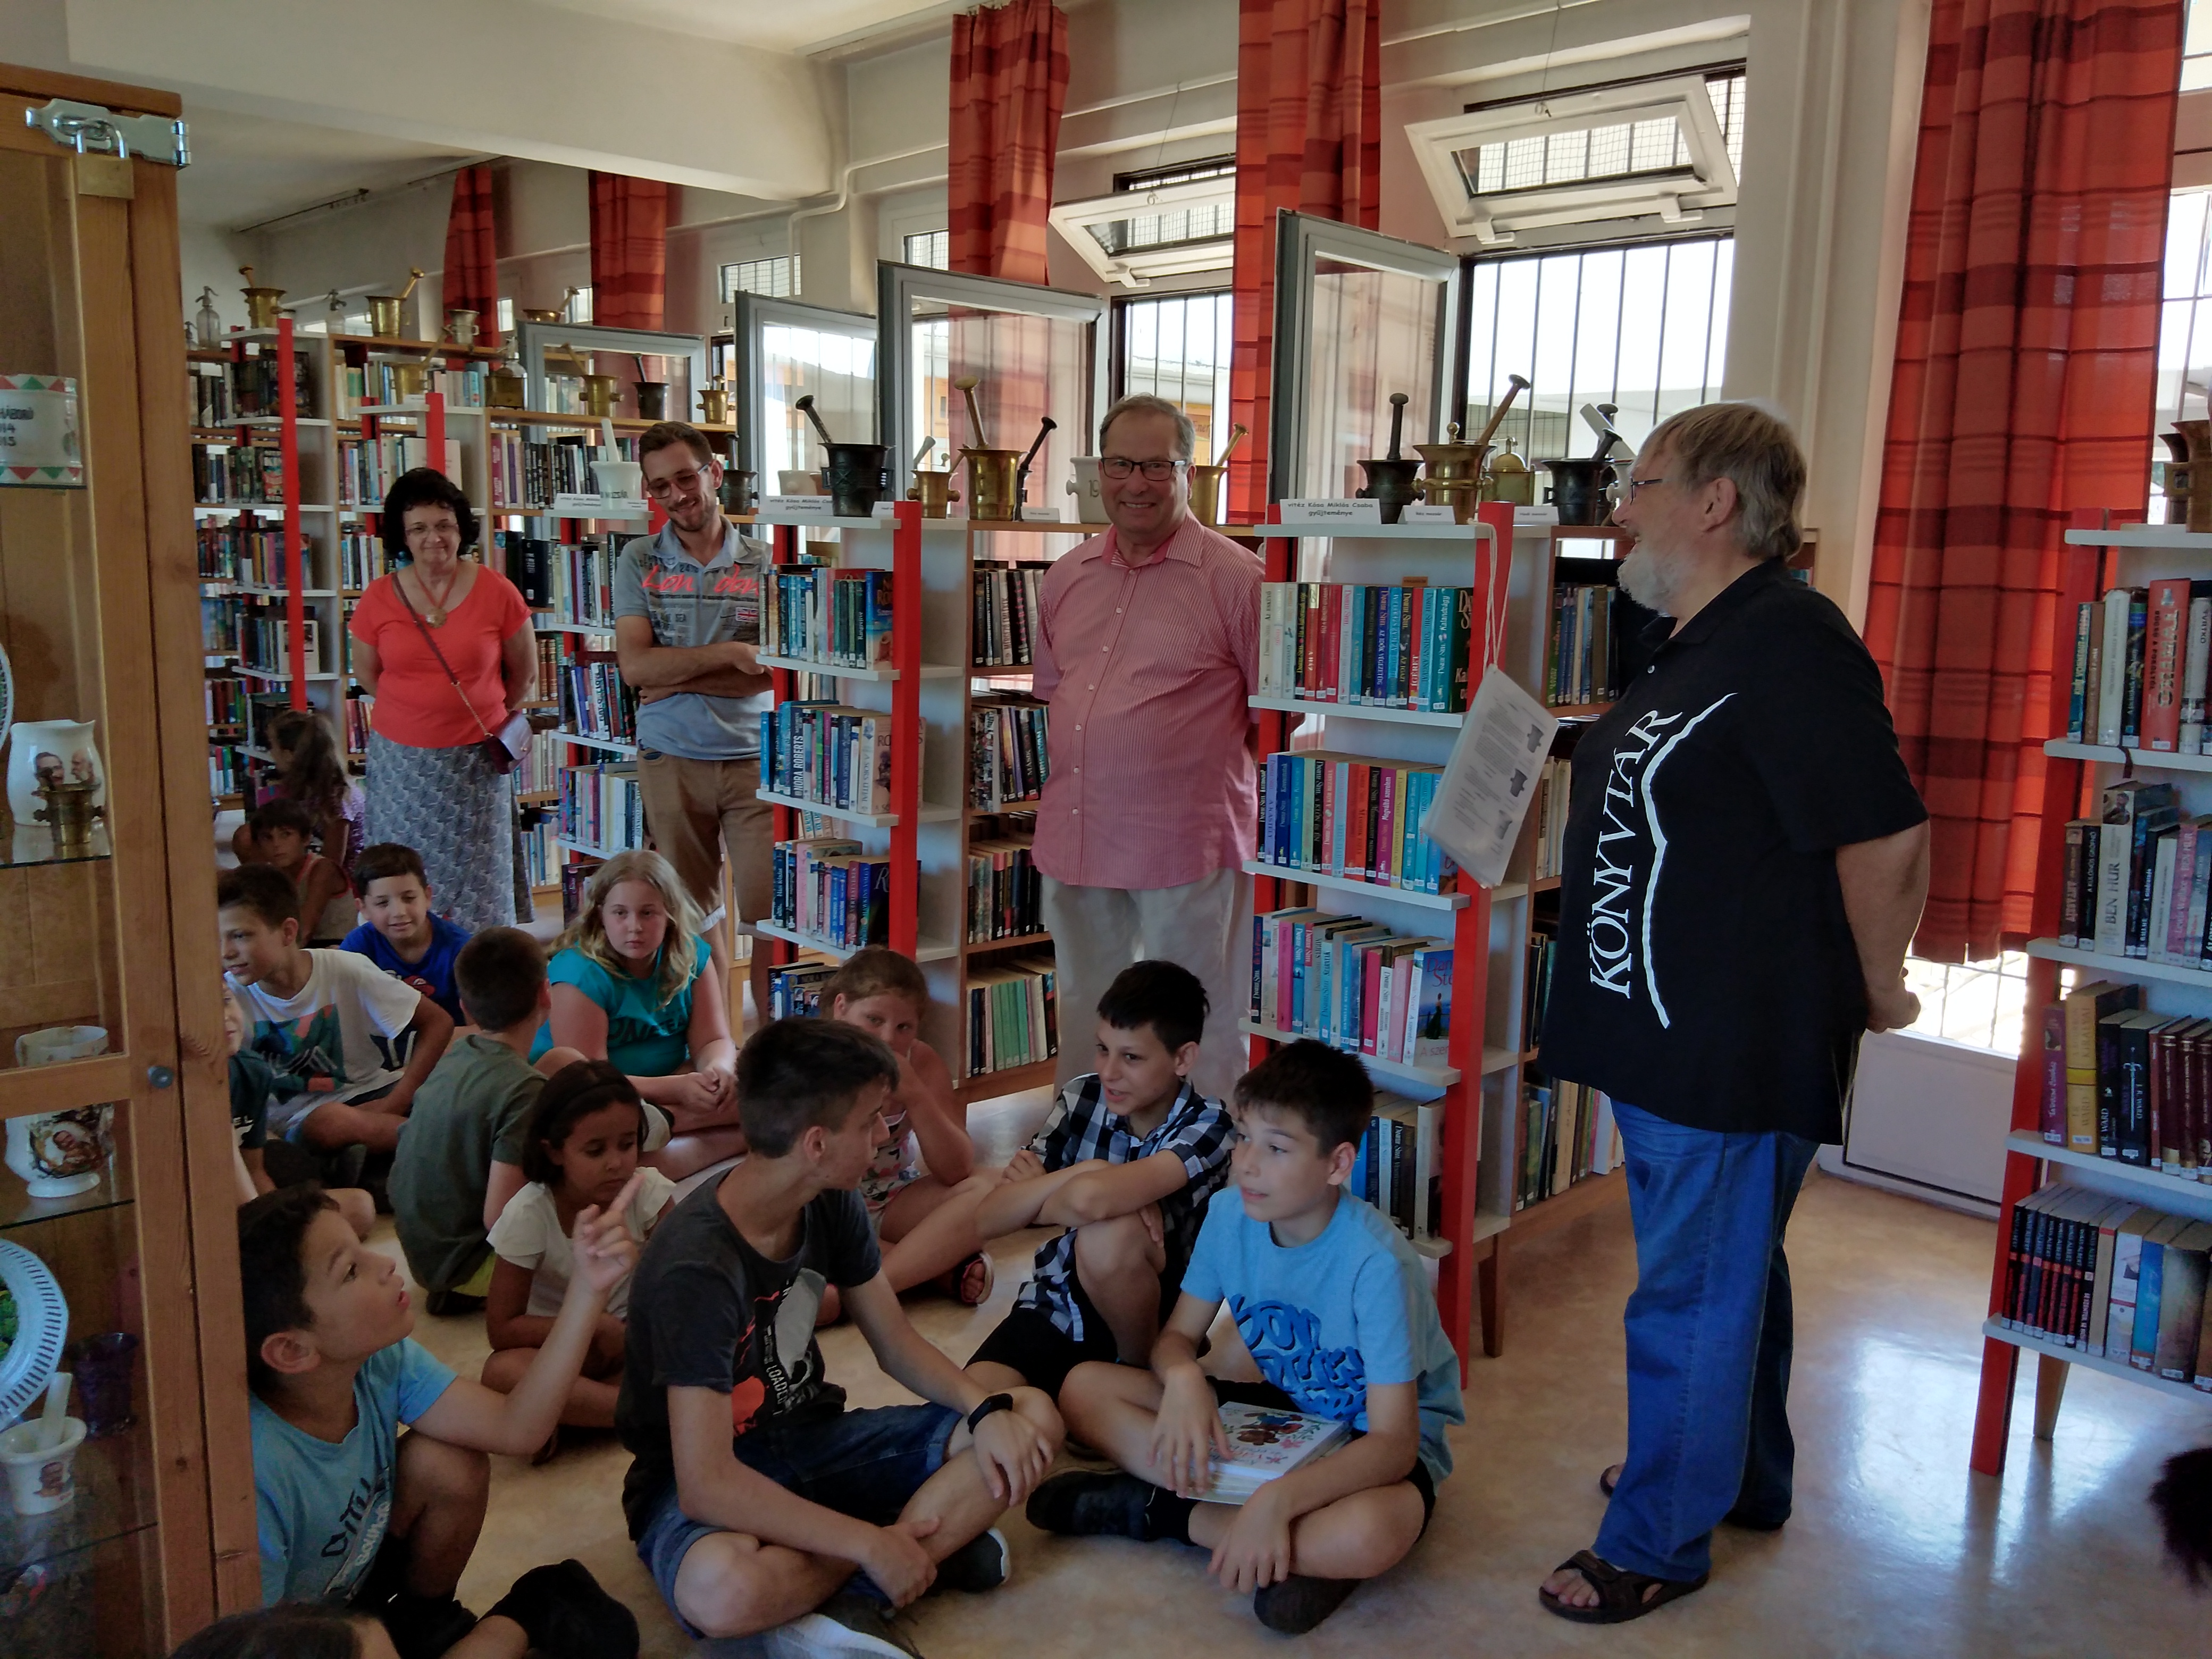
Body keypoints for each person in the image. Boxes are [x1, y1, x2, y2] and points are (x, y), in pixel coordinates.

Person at [1533, 402, 1930, 1624]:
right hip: (1668, 1033)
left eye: (1643, 483)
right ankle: (1737, 1473)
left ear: (1715, 503)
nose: (1621, 509)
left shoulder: (1790, 638)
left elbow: (1884, 830)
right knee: (1727, 1266)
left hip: (1731, 1042)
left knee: (1691, 1291)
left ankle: (1657, 1536)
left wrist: (1879, 985)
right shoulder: (1693, 638)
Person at [616, 1018, 1063, 1656]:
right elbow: (706, 1483)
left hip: (813, 1440)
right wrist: (867, 1541)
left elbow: (894, 1342)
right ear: (817, 1144)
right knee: (724, 1590)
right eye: (871, 1121)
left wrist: (983, 1409)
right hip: (695, 1480)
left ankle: (850, 1595)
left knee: (1029, 1419)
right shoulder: (695, 1266)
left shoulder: (830, 1198)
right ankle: (910, 1553)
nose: (883, 1135)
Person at [1034, 1040, 1464, 1634]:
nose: (1247, 1164)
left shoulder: (1377, 1265)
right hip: (1287, 1416)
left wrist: (1278, 1500)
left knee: (1368, 1532)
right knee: (1084, 1388)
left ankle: (1161, 1512)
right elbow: (1175, 1338)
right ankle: (1285, 1549)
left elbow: (1394, 1444)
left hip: (1369, 1444)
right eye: (1243, 1137)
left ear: (1337, 1164)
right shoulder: (1230, 1215)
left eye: (1277, 1148)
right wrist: (1183, 1377)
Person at [239, 1184, 642, 1659]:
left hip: (357, 1593)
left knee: (449, 1459)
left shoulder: (380, 1358)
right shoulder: (255, 1477)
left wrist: (587, 1290)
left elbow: (516, 1428)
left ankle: (425, 1620)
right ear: (292, 1350)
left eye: (362, 1248)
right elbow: (262, 1645)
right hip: (304, 1636)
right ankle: (528, 1612)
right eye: (351, 1271)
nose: (384, 1263)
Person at [1032, 393, 1261, 1103]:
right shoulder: (1066, 576)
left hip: (1183, 843)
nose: (1136, 483)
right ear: (1099, 471)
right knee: (1086, 1001)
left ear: (1188, 472)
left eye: (1156, 466)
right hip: (1078, 833)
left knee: (1197, 1012)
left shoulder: (1237, 579)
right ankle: (1085, 1131)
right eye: (1120, 464)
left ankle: (1200, 1149)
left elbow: (1274, 717)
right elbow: (1056, 693)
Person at [966, 960, 1235, 1397]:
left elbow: (1090, 1203)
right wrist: (1091, 1172)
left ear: (1183, 1058)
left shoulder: (1209, 1124)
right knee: (974, 1407)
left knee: (1108, 1233)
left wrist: (1043, 1199)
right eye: (1103, 1049)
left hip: (1152, 1310)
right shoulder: (1081, 1096)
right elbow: (988, 1220)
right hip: (1059, 1300)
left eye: (1131, 1057)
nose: (1109, 1072)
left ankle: (1138, 1371)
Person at [614, 421, 775, 1028]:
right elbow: (635, 667)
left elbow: (769, 674)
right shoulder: (639, 559)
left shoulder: (764, 560)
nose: (677, 495)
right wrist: (731, 654)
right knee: (693, 913)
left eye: (686, 478)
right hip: (671, 756)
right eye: (661, 487)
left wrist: (675, 675)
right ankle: (717, 1040)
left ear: (715, 472)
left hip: (757, 756)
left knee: (770, 913)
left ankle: (770, 1044)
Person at [349, 467, 536, 932]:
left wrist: (480, 712)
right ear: (403, 536)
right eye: (419, 528)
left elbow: (524, 673)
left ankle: (478, 968)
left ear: (460, 529)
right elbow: (368, 675)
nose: (433, 538)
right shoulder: (378, 597)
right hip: (401, 767)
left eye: (444, 525)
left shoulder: (497, 590)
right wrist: (417, 710)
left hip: (476, 763)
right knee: (400, 877)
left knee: (479, 883)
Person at [387, 929, 585, 1315]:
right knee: (610, 1250)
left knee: (562, 1062)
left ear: (466, 1009)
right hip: (469, 1266)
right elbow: (502, 1219)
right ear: (546, 995)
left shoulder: (459, 1053)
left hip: (424, 1251)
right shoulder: (524, 1092)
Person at [482, 1061, 676, 1444]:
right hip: (568, 1351)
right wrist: (595, 1325)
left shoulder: (647, 1191)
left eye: (627, 1144)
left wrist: (642, 1325)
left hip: (637, 1340)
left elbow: (683, 1279)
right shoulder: (529, 1213)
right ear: (555, 1152)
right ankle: (645, 1413)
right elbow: (502, 1329)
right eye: (595, 1150)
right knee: (502, 1372)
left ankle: (586, 1416)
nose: (615, 1163)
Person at [531, 849, 743, 1180]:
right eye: (620, 913)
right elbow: (592, 1079)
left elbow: (713, 1039)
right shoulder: (578, 974)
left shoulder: (691, 956)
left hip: (669, 1083)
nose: (634, 927)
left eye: (648, 913)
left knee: (767, 1087)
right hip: (596, 1092)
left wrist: (718, 1072)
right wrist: (678, 1091)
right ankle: (739, 1135)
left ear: (670, 913)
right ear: (600, 915)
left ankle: (667, 1124)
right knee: (616, 1156)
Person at [220, 865, 455, 1161]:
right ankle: (452, 1150)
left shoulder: (345, 968)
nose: (226, 952)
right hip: (301, 1122)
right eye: (218, 939)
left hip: (374, 1094)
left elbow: (437, 1022)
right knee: (330, 1123)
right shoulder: (226, 998)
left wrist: (396, 1101)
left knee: (459, 1089)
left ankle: (384, 1153)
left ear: (288, 932)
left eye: (240, 936)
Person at [816, 947, 996, 1325]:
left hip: (893, 1200)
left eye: (904, 1028)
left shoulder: (922, 1061)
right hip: (823, 1210)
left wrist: (915, 1094)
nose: (888, 1038)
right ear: (841, 1008)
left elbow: (956, 1170)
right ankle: (933, 1268)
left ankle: (866, 1292)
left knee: (989, 1189)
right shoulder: (809, 1058)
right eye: (874, 1020)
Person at [223, 983, 374, 1239]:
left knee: (359, 1207)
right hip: (202, 1206)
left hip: (244, 1199)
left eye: (226, 1000)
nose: (224, 1017)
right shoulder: (180, 1085)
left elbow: (254, 1169)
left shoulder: (252, 1071)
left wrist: (274, 1215)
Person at [342, 844, 472, 1024]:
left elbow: (480, 1031)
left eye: (409, 899)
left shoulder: (462, 951)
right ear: (363, 908)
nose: (399, 912)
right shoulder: (358, 948)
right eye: (382, 903)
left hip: (451, 1040)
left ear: (428, 897)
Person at [231, 707, 366, 876]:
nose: (271, 752)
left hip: (343, 878)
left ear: (289, 755)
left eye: (273, 746)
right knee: (246, 837)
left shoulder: (337, 798)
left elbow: (332, 864)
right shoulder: (305, 785)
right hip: (313, 854)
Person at [246, 799, 357, 946]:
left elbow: (305, 931)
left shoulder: (323, 869)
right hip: (301, 947)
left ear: (306, 839)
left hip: (339, 947)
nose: (276, 844)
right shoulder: (270, 875)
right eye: (267, 838)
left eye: (286, 835)